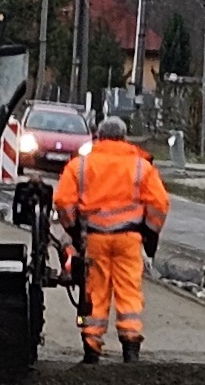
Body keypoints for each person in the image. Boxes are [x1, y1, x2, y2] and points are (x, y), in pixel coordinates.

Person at [53, 112, 169, 363]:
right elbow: (160, 203)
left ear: (98, 137)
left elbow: (63, 201)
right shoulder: (141, 166)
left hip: (94, 240)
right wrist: (150, 233)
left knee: (95, 290)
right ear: (124, 138)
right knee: (129, 290)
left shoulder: (80, 165)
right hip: (129, 238)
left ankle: (92, 347)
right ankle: (130, 348)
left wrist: (73, 230)